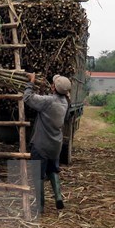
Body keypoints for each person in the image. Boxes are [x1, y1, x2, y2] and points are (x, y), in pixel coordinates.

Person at [23, 73, 72, 212]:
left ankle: (40, 206)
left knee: (38, 174)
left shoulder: (48, 101)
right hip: (56, 144)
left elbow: (27, 98)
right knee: (52, 170)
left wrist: (31, 83)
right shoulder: (65, 103)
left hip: (41, 144)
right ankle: (58, 198)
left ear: (54, 88)